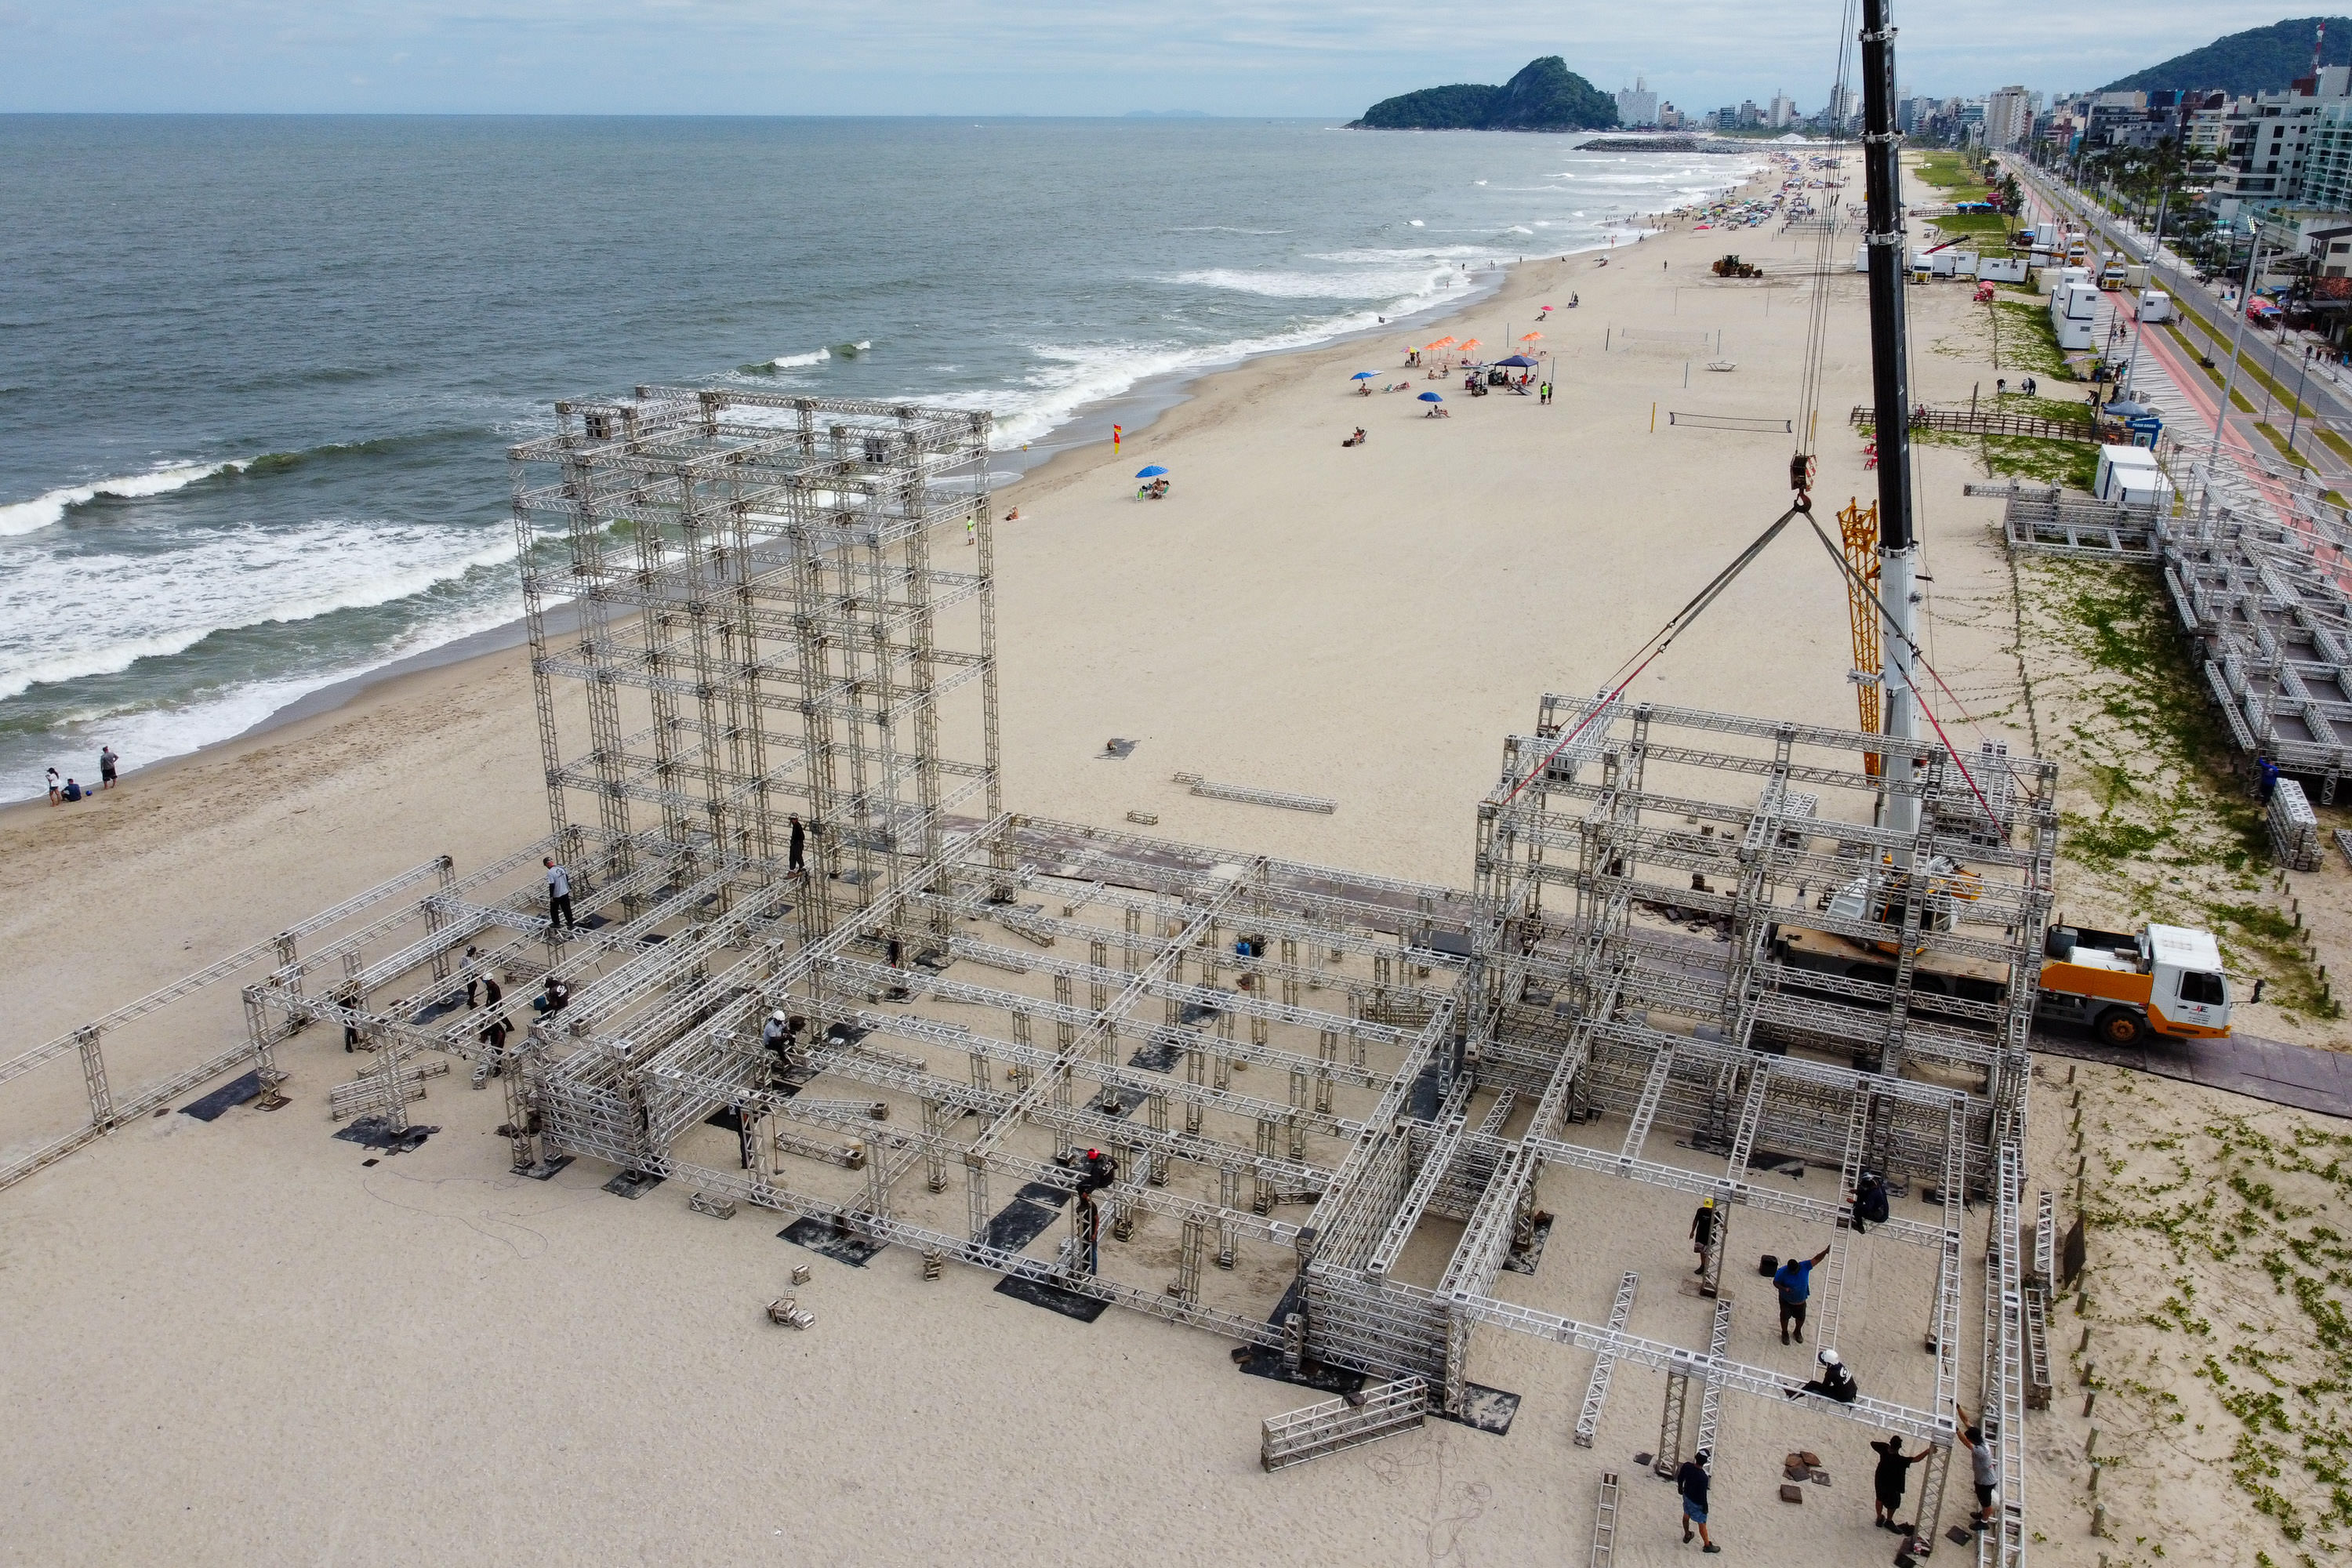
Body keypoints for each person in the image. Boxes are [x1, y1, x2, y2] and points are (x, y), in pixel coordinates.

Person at [1871, 1433, 1931, 1530]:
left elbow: (1872, 1443)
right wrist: (1927, 1451)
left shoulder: (1884, 1450)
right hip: (1893, 1484)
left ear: (1890, 1444)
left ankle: (1879, 1518)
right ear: (1899, 1447)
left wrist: (1886, 1446)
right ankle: (1889, 1521)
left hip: (1880, 1479)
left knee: (1879, 1498)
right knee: (1894, 1503)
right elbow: (1916, 1459)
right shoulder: (1901, 1460)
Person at [1776, 1245, 1831, 1344]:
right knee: (1784, 1317)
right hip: (1786, 1300)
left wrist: (1825, 1251)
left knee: (1801, 1318)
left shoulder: (1804, 1266)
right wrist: (1784, 1289)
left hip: (1801, 1301)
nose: (1795, 1273)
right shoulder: (1782, 1271)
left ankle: (1797, 1331)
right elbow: (1775, 1283)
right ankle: (1785, 1333)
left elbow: (1816, 1259)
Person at [1956, 1405, 1999, 1530]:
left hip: (1985, 1482)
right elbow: (1966, 1421)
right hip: (1984, 1479)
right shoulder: (1982, 1441)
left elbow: (1965, 1442)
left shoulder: (1981, 1451)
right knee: (1983, 1500)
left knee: (1986, 1503)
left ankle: (1984, 1522)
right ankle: (1982, 1515)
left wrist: (1957, 1430)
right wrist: (1958, 1408)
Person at [1675, 1449, 1720, 1552]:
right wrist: (1705, 1507)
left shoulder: (1687, 1466)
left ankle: (1687, 1535)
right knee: (1702, 1523)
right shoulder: (1703, 1477)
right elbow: (1702, 1495)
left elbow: (1680, 1477)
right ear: (1705, 1462)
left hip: (1686, 1497)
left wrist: (1680, 1488)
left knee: (1686, 1515)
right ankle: (1707, 1545)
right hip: (1697, 1502)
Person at [1788, 1345, 1859, 1402]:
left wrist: (1815, 1389)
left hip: (1844, 1397)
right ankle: (1796, 1393)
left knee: (1812, 1384)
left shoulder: (1831, 1373)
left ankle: (1794, 1395)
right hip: (1852, 1392)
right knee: (1820, 1386)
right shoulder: (1840, 1365)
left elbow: (1824, 1388)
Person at [479, 975, 510, 1070]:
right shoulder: (484, 1028)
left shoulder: (495, 987)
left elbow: (501, 1034)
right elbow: (483, 1038)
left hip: (499, 1034)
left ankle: (499, 1069)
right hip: (494, 1034)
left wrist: (496, 1044)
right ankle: (496, 1065)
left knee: (497, 1052)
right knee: (494, 1051)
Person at [1853, 1171, 1890, 1235]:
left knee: (1857, 1210)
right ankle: (1857, 1207)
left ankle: (1860, 1227)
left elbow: (1868, 1207)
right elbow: (1867, 1193)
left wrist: (1855, 1203)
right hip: (1881, 1209)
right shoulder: (1878, 1186)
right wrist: (1858, 1192)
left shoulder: (1873, 1194)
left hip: (1880, 1216)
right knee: (1861, 1193)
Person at [544, 857, 575, 933]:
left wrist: (551, 896)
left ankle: (556, 923)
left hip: (557, 894)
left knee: (554, 910)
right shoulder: (561, 868)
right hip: (565, 891)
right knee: (567, 908)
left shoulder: (550, 873)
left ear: (547, 865)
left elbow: (552, 885)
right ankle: (570, 923)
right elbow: (567, 878)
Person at [1690, 1196, 1718, 1273]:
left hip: (1710, 1236)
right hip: (1700, 1234)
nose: (1707, 1209)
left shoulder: (1716, 1213)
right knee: (1701, 1251)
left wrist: (1725, 1228)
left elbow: (1721, 1223)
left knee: (1708, 1252)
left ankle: (1707, 1268)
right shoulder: (1700, 1211)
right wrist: (1692, 1231)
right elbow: (1695, 1221)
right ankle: (1702, 1266)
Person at [461, 944, 481, 1009]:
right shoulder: (470, 961)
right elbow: (473, 972)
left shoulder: (463, 958)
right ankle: (471, 1003)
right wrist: (480, 976)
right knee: (473, 987)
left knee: (470, 987)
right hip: (470, 976)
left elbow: (460, 966)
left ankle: (470, 1000)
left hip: (465, 975)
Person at [788, 814, 807, 878]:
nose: (793, 821)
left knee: (798, 856)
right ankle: (792, 871)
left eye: (794, 819)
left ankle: (802, 868)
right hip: (794, 844)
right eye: (792, 819)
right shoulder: (795, 826)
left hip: (798, 844)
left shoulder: (798, 826)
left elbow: (802, 837)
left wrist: (797, 841)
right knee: (792, 857)